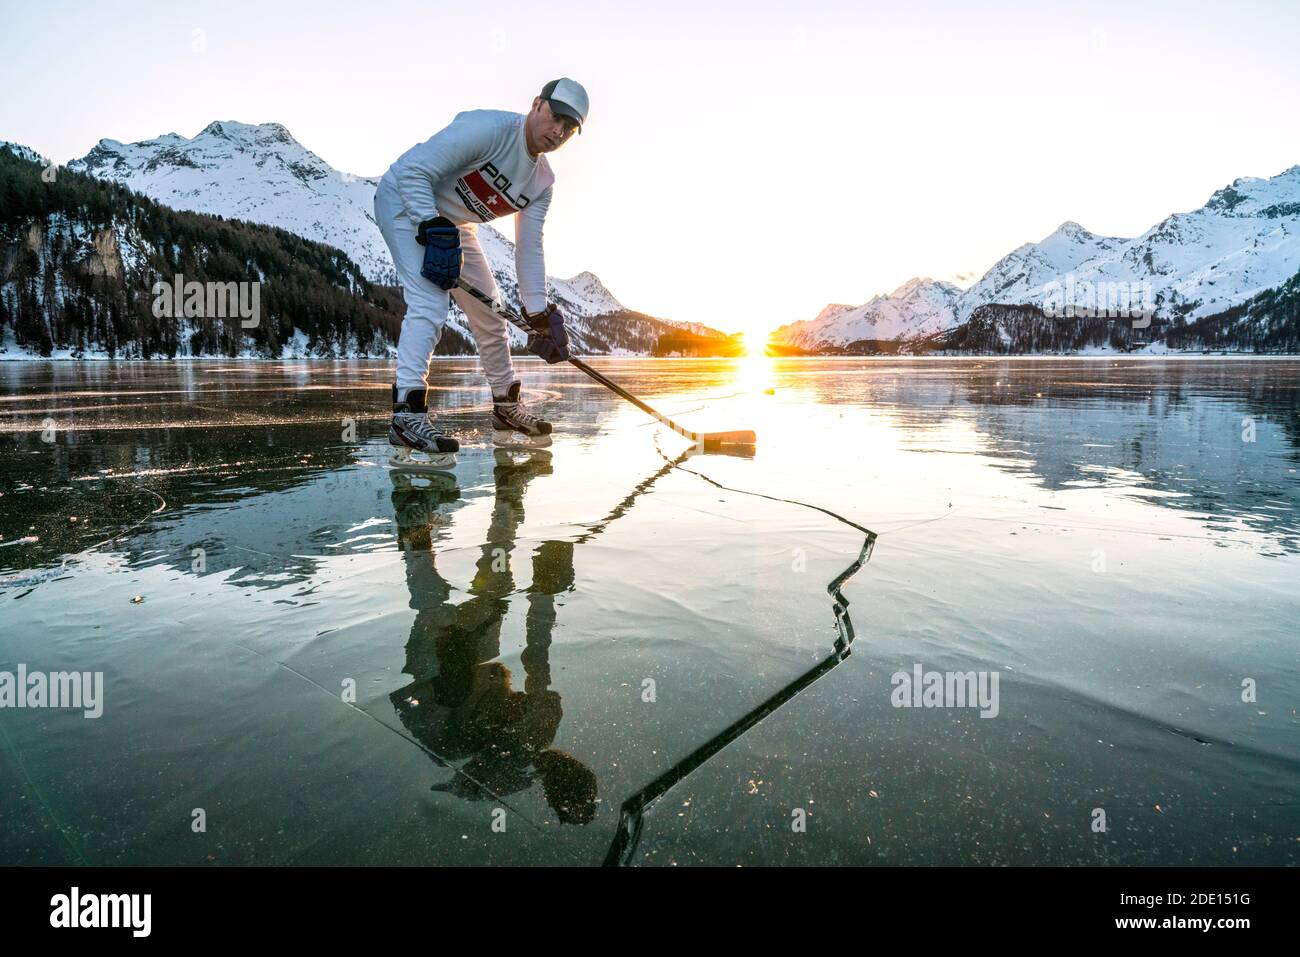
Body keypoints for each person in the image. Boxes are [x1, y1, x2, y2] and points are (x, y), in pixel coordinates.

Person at [375, 78, 590, 466]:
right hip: (405, 205)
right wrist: (429, 222)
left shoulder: (542, 182)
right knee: (429, 301)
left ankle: (505, 407)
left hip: (454, 225)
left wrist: (537, 313)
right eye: (556, 118)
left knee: (491, 314)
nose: (558, 131)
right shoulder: (488, 129)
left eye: (570, 128)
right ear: (536, 104)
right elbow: (411, 171)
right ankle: (407, 416)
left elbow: (529, 246)